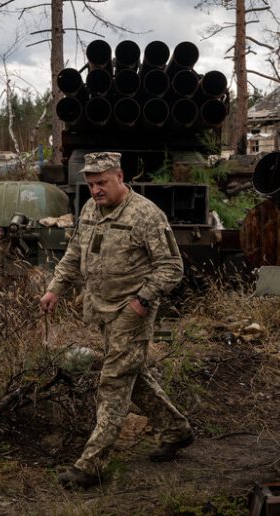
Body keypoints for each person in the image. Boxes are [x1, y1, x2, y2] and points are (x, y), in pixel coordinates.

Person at [39, 151, 194, 490]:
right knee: (131, 375)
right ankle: (177, 429)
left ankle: (91, 465)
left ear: (120, 177)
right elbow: (74, 254)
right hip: (101, 309)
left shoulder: (145, 215)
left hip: (131, 312)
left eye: (102, 183)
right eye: (91, 184)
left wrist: (142, 301)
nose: (96, 190)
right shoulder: (90, 209)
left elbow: (172, 267)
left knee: (113, 382)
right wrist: (54, 289)